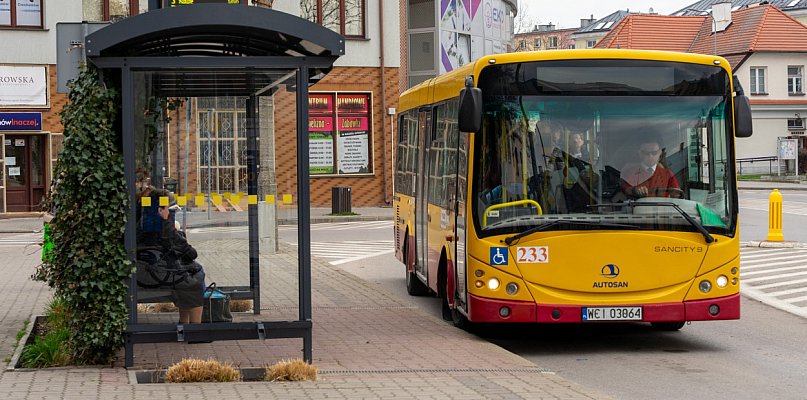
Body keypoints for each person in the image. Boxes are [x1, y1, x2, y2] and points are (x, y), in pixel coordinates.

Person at [136, 188, 206, 324]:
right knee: (194, 283)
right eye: (170, 208)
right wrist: (167, 222)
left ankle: (184, 322)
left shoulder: (137, 226)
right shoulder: (166, 231)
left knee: (190, 274)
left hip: (140, 274)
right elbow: (191, 254)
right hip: (158, 276)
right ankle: (195, 329)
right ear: (162, 211)